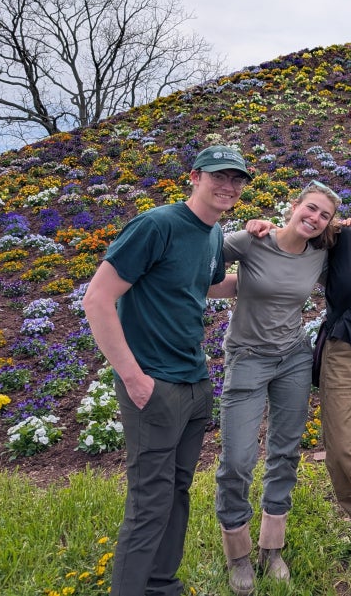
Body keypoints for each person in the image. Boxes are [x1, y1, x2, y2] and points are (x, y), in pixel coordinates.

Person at [82, 145, 252, 596]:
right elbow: (97, 299)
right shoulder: (156, 225)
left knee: (176, 494)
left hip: (195, 382)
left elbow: (210, 285)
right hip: (154, 385)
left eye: (237, 180)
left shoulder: (213, 234)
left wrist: (281, 270)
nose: (228, 186)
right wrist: (134, 379)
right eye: (219, 176)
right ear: (194, 176)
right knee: (149, 502)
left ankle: (162, 586)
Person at [248, 185, 351, 570]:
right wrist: (264, 226)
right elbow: (300, 230)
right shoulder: (345, 237)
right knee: (343, 446)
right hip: (344, 350)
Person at [208, 182, 340, 595]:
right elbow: (202, 249)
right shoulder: (251, 241)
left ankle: (272, 546)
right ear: (294, 205)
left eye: (324, 216)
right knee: (238, 459)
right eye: (311, 208)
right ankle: (238, 553)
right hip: (247, 359)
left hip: (294, 359)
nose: (315, 219)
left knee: (285, 452)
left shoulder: (319, 254)